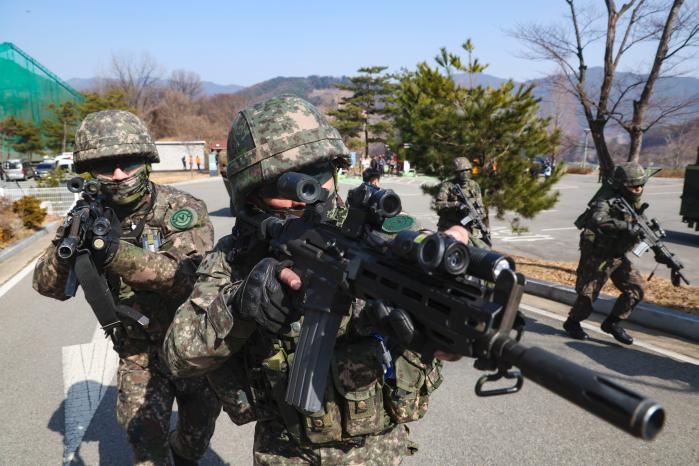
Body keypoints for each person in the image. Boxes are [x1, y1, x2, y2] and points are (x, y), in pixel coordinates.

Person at [163, 95, 470, 465]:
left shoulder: (387, 238)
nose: (307, 193)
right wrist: (239, 304)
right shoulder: (235, 255)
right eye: (284, 182)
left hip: (379, 452)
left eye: (319, 171)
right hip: (285, 452)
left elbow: (448, 317)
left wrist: (449, 327)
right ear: (251, 192)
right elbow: (178, 357)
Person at [33, 110, 221, 465]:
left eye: (128, 163)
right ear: (91, 173)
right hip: (138, 351)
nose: (119, 175)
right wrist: (70, 243)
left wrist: (113, 252)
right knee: (144, 436)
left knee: (197, 432)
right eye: (107, 167)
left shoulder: (181, 209)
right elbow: (48, 286)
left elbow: (186, 279)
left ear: (146, 162)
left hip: (190, 345)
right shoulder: (87, 216)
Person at [563, 162, 650, 345]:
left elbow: (640, 230)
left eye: (640, 185)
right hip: (598, 255)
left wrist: (648, 240)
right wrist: (626, 227)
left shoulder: (634, 205)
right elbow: (597, 220)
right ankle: (572, 323)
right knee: (588, 295)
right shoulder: (606, 201)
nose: (638, 189)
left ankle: (612, 323)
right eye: (633, 186)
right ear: (621, 185)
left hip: (618, 256)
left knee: (636, 290)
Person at [434, 157, 488, 247]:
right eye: (462, 171)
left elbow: (480, 205)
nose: (465, 174)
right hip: (449, 228)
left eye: (467, 170)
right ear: (456, 173)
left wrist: (480, 214)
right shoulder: (448, 186)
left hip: (468, 229)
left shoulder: (474, 186)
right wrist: (457, 205)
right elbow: (438, 206)